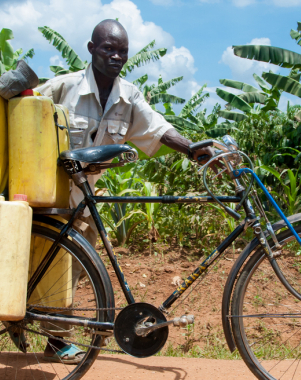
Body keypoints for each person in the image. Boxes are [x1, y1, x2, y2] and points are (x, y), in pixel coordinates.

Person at [34, 19, 215, 364]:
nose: (116, 56)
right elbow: (25, 110)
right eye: (108, 49)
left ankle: (54, 340)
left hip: (85, 197)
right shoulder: (64, 87)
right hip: (51, 192)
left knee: (70, 270)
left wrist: (193, 150)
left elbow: (158, 128)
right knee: (46, 265)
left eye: (122, 51)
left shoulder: (128, 95)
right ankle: (38, 329)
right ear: (91, 49)